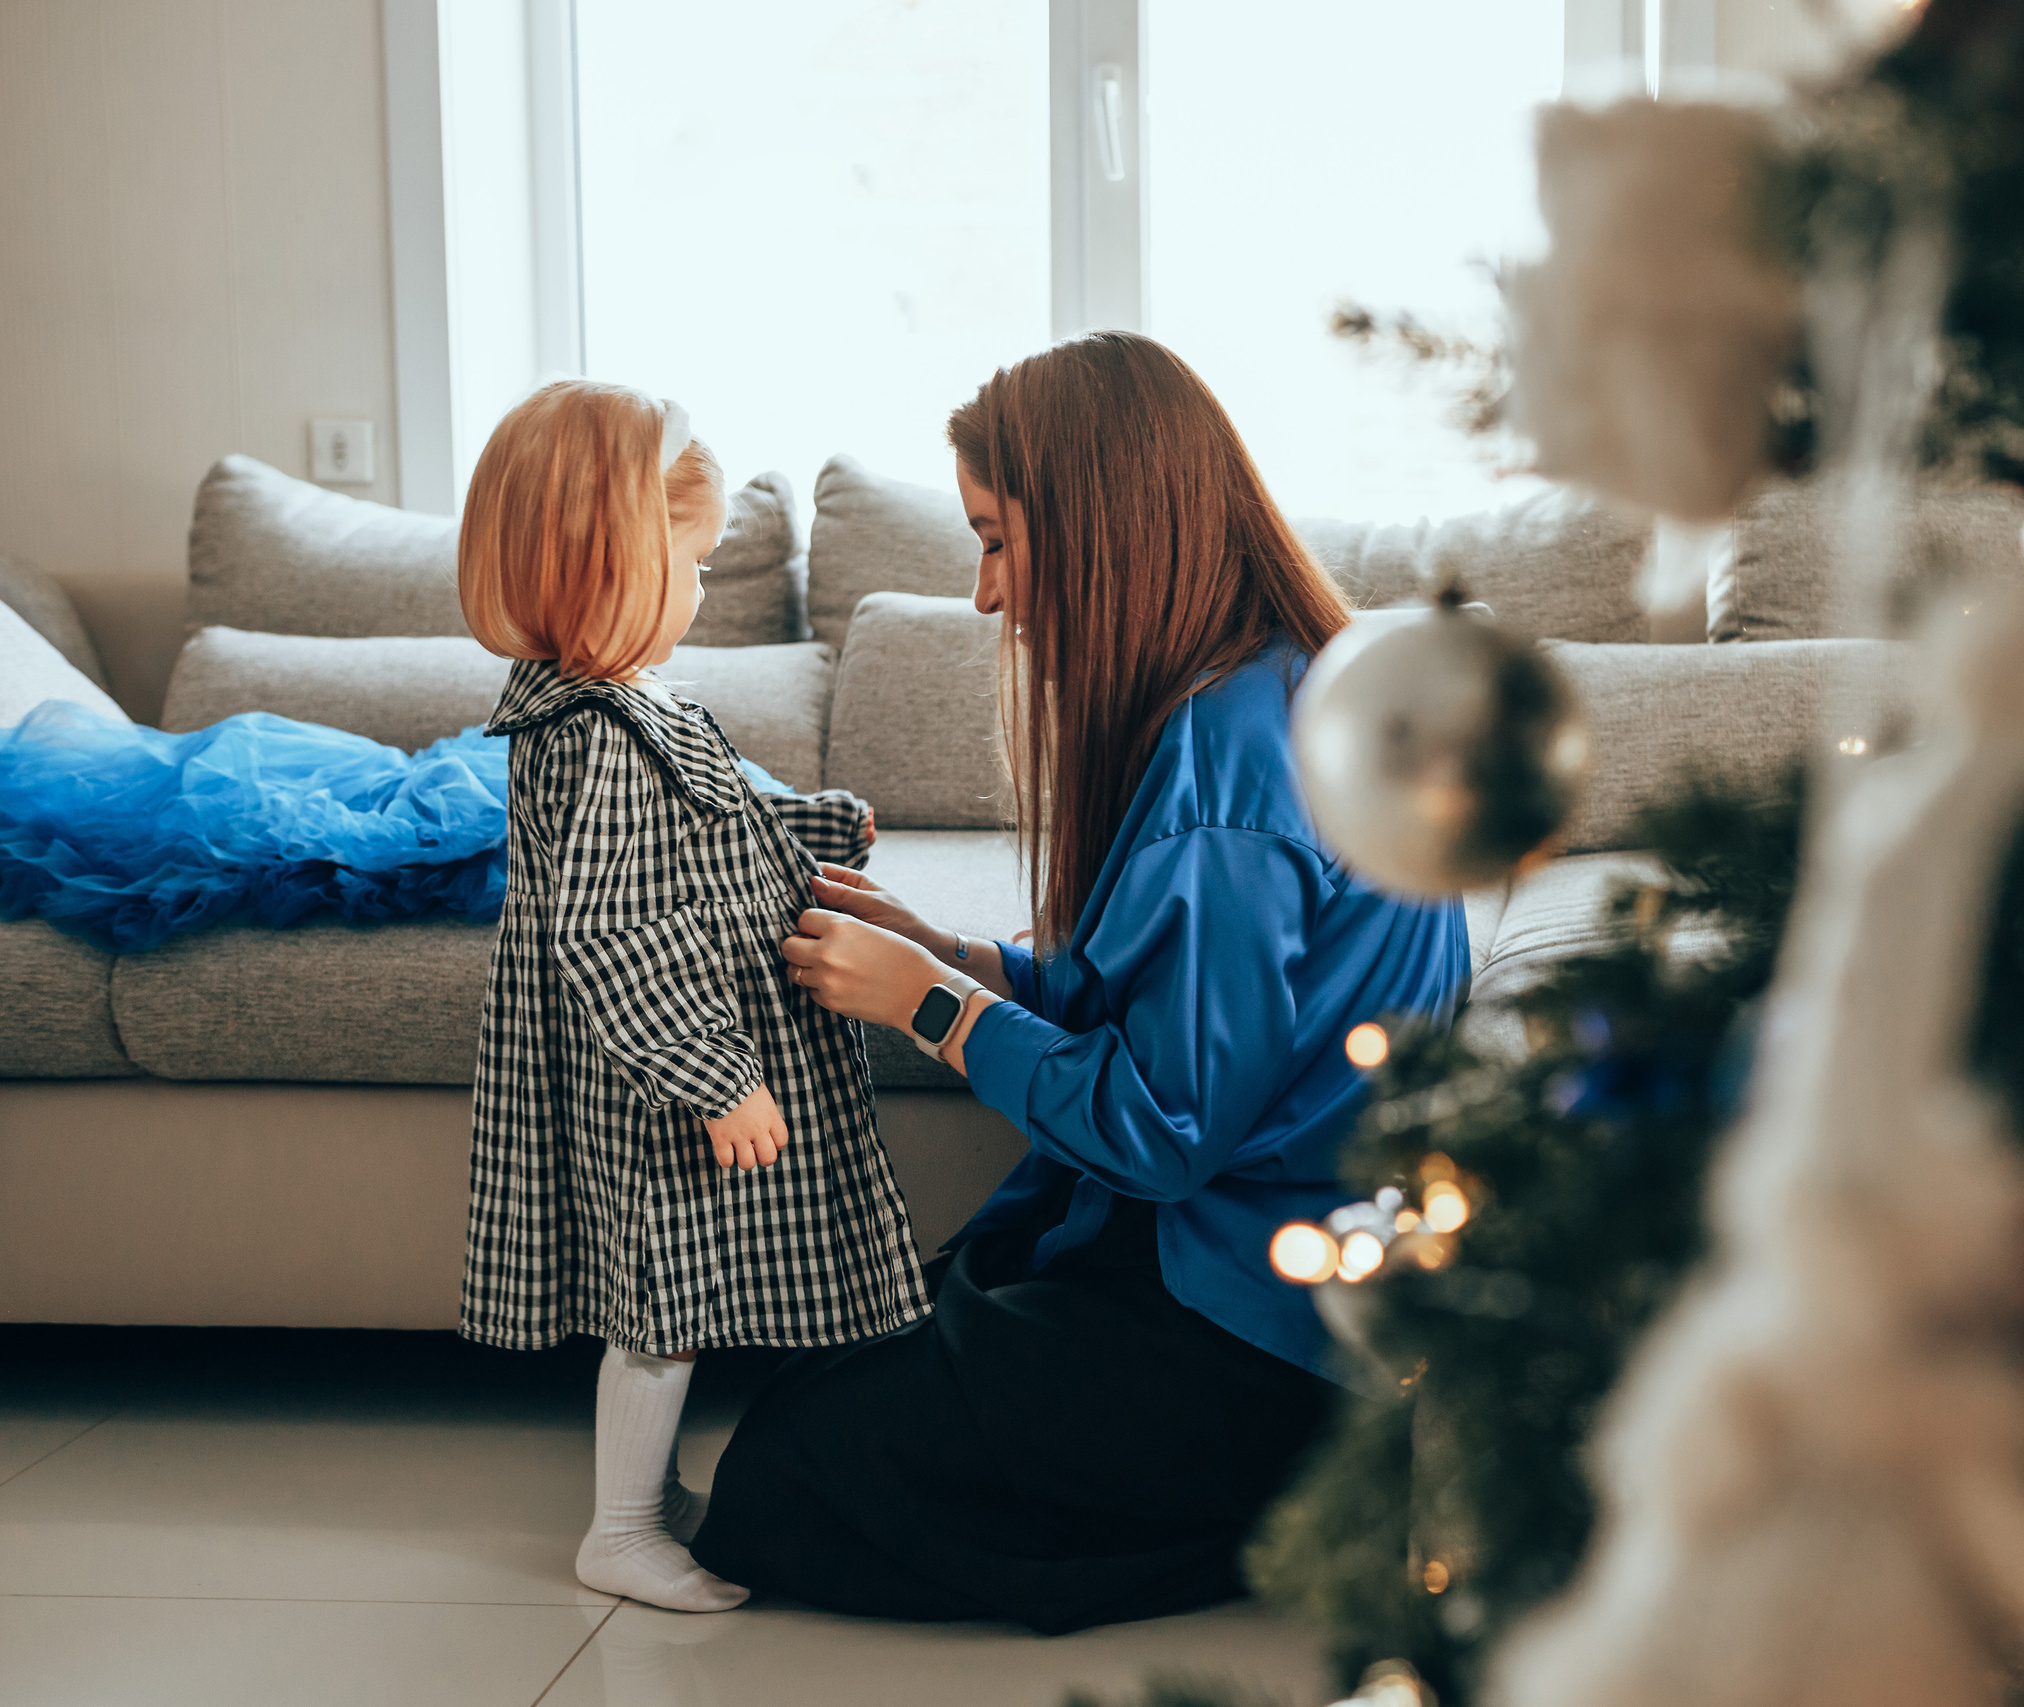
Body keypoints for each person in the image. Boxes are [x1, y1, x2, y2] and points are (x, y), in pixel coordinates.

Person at [689, 332, 1472, 1632]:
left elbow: (1164, 1129)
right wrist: (964, 957)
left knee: (785, 1471)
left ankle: (1294, 1508)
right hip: (1300, 1278)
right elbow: (1195, 1002)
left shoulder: (1225, 771)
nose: (987, 594)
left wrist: (929, 1006)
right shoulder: (1281, 688)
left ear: (1104, 525)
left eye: (998, 539)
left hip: (1259, 1319)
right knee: (871, 1341)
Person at [455, 380, 929, 1613]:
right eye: (694, 564)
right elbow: (615, 929)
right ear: (611, 563)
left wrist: (814, 829)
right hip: (658, 1065)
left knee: (681, 1286)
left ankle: (650, 1497)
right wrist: (717, 1079)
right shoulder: (598, 735)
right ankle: (618, 1529)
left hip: (678, 1040)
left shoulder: (635, 707)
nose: (705, 589)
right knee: (662, 1298)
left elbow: (713, 836)